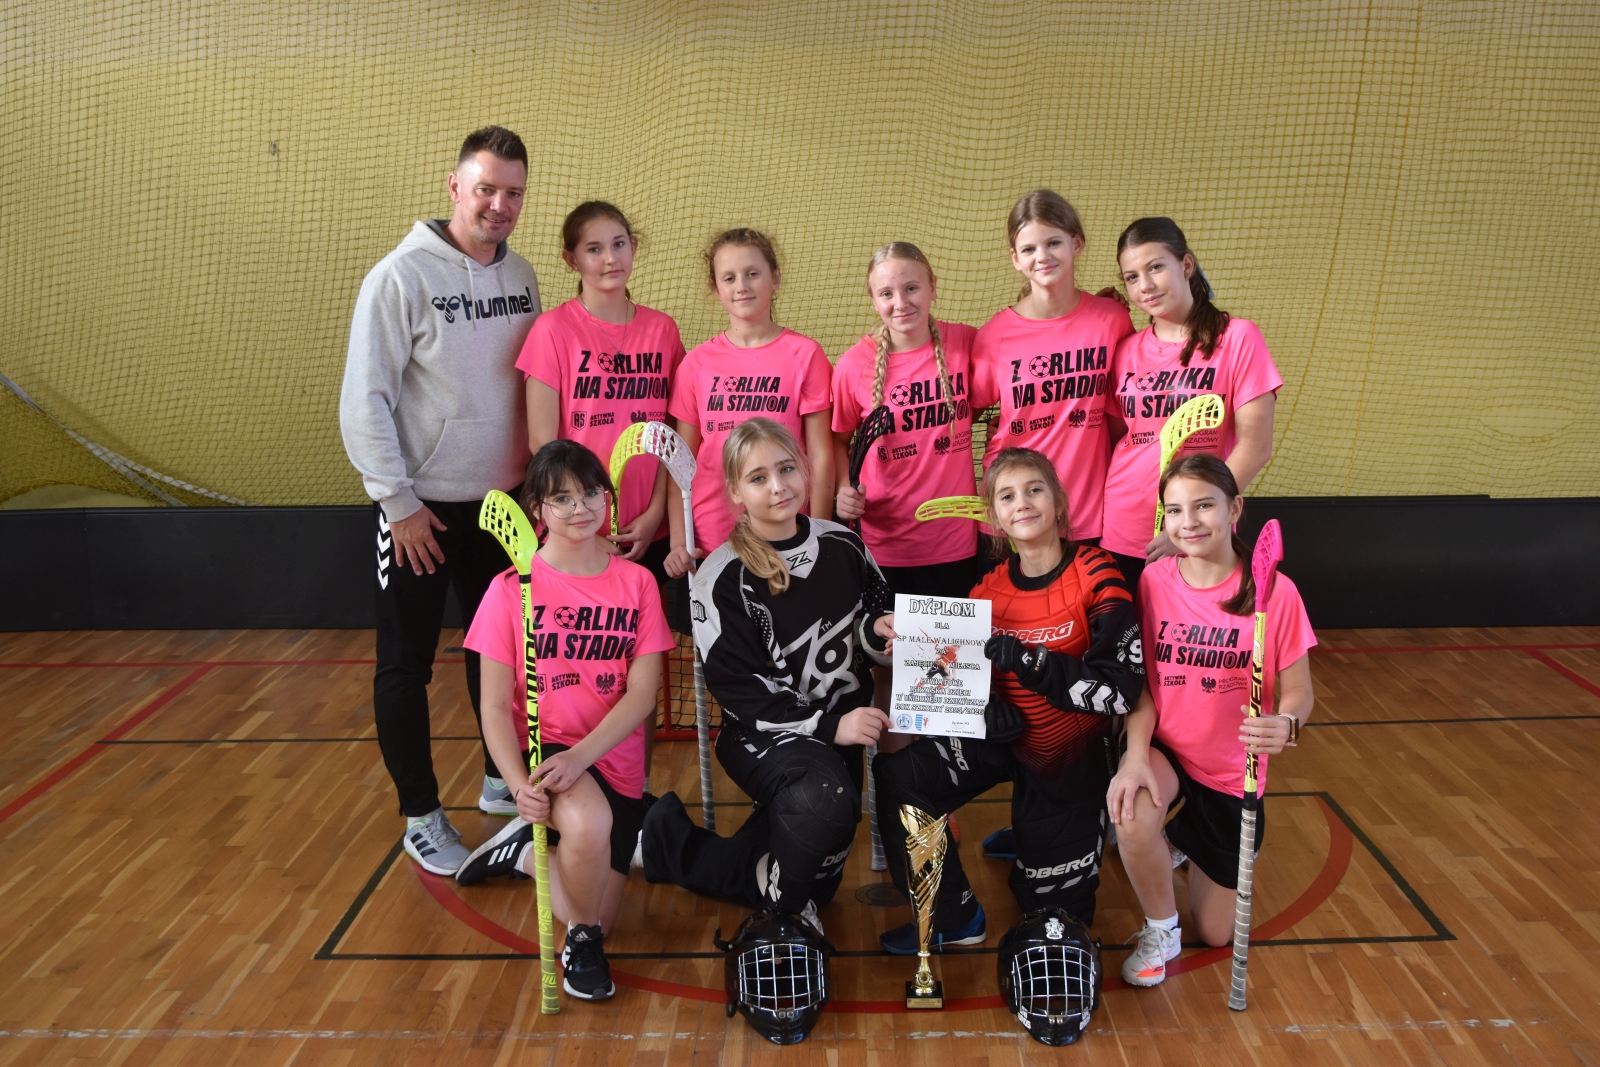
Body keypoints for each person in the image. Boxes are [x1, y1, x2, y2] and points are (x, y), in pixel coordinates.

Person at [340, 126, 541, 874]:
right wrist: (398, 504)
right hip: (420, 510)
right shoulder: (399, 277)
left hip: (503, 505)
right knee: (407, 663)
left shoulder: (521, 273)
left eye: (513, 192)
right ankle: (420, 815)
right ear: (455, 187)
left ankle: (499, 781)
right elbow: (363, 401)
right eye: (485, 188)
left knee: (501, 655)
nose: (499, 205)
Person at [871, 448, 1145, 952]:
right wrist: (982, 712)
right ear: (994, 518)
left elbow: (1121, 691)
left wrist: (1035, 664)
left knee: (1051, 922)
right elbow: (960, 682)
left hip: (1068, 763)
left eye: (1035, 489)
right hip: (1006, 743)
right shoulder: (985, 593)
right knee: (900, 777)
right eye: (1007, 495)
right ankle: (953, 917)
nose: (1023, 502)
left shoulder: (1098, 574)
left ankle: (1031, 832)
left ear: (1059, 503)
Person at [642, 418, 894, 933]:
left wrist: (882, 632)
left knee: (814, 874)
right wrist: (830, 726)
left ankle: (659, 840)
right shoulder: (722, 576)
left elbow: (870, 623)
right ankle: (785, 919)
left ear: (805, 470)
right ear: (735, 491)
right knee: (821, 805)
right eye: (758, 478)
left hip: (839, 737)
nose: (778, 486)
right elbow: (741, 693)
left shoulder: (844, 544)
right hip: (759, 736)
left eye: (786, 469)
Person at [453, 440, 674, 1001]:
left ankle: (525, 855)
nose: (581, 508)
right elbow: (493, 705)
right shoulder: (510, 589)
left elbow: (642, 695)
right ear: (537, 510)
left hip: (611, 755)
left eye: (592, 493)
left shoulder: (638, 583)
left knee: (600, 913)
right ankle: (580, 943)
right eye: (563, 498)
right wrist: (519, 785)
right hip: (546, 746)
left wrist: (583, 757)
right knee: (589, 851)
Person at [1109, 453, 1314, 987]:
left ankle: (1188, 839)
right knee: (1131, 812)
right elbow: (1143, 684)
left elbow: (1299, 693)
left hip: (1230, 769)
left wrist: (1286, 724)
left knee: (1217, 933)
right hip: (1168, 746)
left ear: (1235, 508)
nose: (1189, 522)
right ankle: (1161, 929)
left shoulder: (1275, 593)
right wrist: (1134, 758)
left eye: (1203, 506)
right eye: (1175, 510)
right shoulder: (1154, 581)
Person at [831, 240, 979, 729]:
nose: (901, 303)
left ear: (933, 286)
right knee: (892, 674)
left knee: (944, 678)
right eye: (887, 293)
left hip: (953, 544)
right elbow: (838, 441)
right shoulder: (853, 365)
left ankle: (938, 777)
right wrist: (842, 490)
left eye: (912, 288)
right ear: (873, 299)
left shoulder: (965, 343)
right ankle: (893, 776)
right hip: (884, 549)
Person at [1101, 217, 1280, 588]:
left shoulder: (1238, 338)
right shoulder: (1125, 350)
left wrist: (1188, 521)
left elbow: (1256, 446)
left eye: (1155, 267)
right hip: (1123, 524)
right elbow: (1119, 438)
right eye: (1132, 277)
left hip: (1197, 529)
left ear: (1186, 264)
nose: (1145, 285)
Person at [518, 200, 685, 573]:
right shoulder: (551, 330)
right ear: (572, 260)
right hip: (574, 529)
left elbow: (670, 435)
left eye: (619, 244)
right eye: (594, 249)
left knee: (645, 609)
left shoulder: (663, 330)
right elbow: (542, 445)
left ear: (633, 246)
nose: (611, 258)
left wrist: (656, 511)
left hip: (646, 527)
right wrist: (584, 529)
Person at [662, 229, 834, 581]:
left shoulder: (806, 355)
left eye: (752, 273)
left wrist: (819, 534)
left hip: (788, 530)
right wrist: (680, 540)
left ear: (775, 279)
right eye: (729, 278)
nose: (742, 286)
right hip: (713, 536)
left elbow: (820, 455)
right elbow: (680, 464)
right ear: (716, 289)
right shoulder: (696, 364)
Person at [971, 190, 1134, 544]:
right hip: (1014, 518)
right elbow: (963, 415)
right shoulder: (994, 336)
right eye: (1029, 249)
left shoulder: (1112, 320)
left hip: (1086, 513)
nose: (1042, 256)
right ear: (1015, 259)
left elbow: (1122, 417)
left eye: (1054, 243)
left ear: (1077, 244)